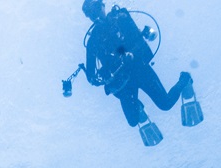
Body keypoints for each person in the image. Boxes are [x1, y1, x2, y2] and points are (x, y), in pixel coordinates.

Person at [80, 1, 198, 146]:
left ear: (102, 6)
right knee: (132, 121)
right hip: (122, 83)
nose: (95, 14)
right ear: (88, 17)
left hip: (140, 69)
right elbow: (91, 76)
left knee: (165, 104)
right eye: (91, 13)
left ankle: (184, 80)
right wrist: (100, 78)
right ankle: (138, 107)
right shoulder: (93, 42)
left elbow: (140, 41)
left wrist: (131, 54)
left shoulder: (120, 18)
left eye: (97, 8)